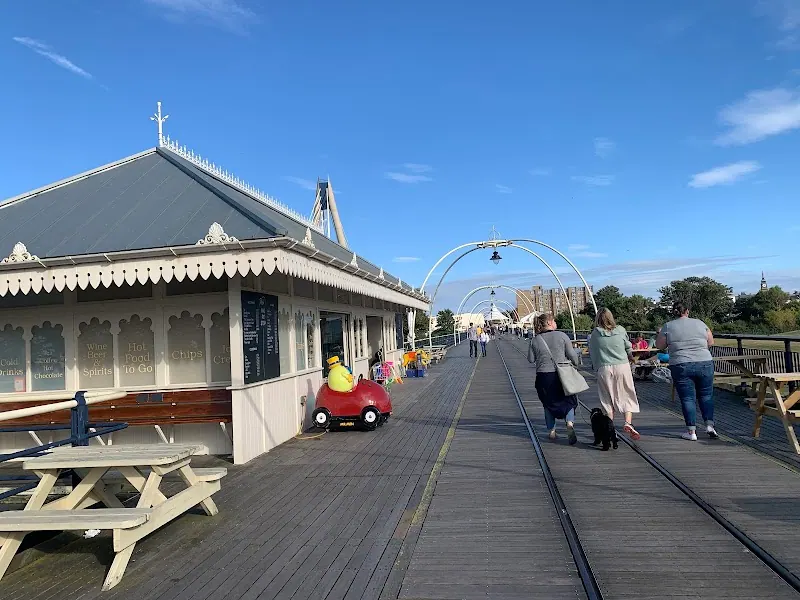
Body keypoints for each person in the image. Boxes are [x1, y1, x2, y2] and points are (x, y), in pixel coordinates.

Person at [657, 302, 717, 441]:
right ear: (687, 311)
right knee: (706, 395)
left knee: (687, 398)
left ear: (673, 312)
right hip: (704, 362)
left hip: (681, 364)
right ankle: (710, 425)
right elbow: (710, 342)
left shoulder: (668, 326)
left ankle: (691, 432)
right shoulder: (700, 323)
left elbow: (660, 345)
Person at [588, 308, 641, 440]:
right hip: (622, 366)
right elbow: (628, 347)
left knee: (606, 399)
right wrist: (630, 357)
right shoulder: (621, 330)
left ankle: (610, 428)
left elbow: (593, 352)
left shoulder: (595, 334)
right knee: (626, 394)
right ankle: (628, 422)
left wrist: (596, 367)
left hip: (604, 368)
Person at [529, 313, 580, 445]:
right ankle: (569, 423)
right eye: (554, 321)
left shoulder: (535, 339)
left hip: (543, 376)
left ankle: (552, 431)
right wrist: (576, 364)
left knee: (548, 403)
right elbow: (572, 355)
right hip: (562, 374)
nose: (556, 323)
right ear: (550, 323)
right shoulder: (562, 335)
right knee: (569, 400)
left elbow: (531, 359)